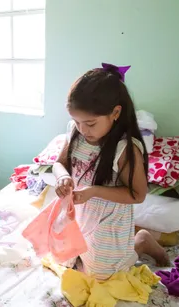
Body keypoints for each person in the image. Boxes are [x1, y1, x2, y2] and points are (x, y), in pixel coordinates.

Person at [53, 63, 169, 280]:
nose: (82, 129)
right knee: (68, 259)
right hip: (80, 214)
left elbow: (138, 194)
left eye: (90, 123)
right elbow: (59, 164)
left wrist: (94, 191)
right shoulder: (76, 133)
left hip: (108, 222)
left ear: (115, 113)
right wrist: (63, 177)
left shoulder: (124, 149)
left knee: (102, 276)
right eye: (76, 121)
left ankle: (141, 242)